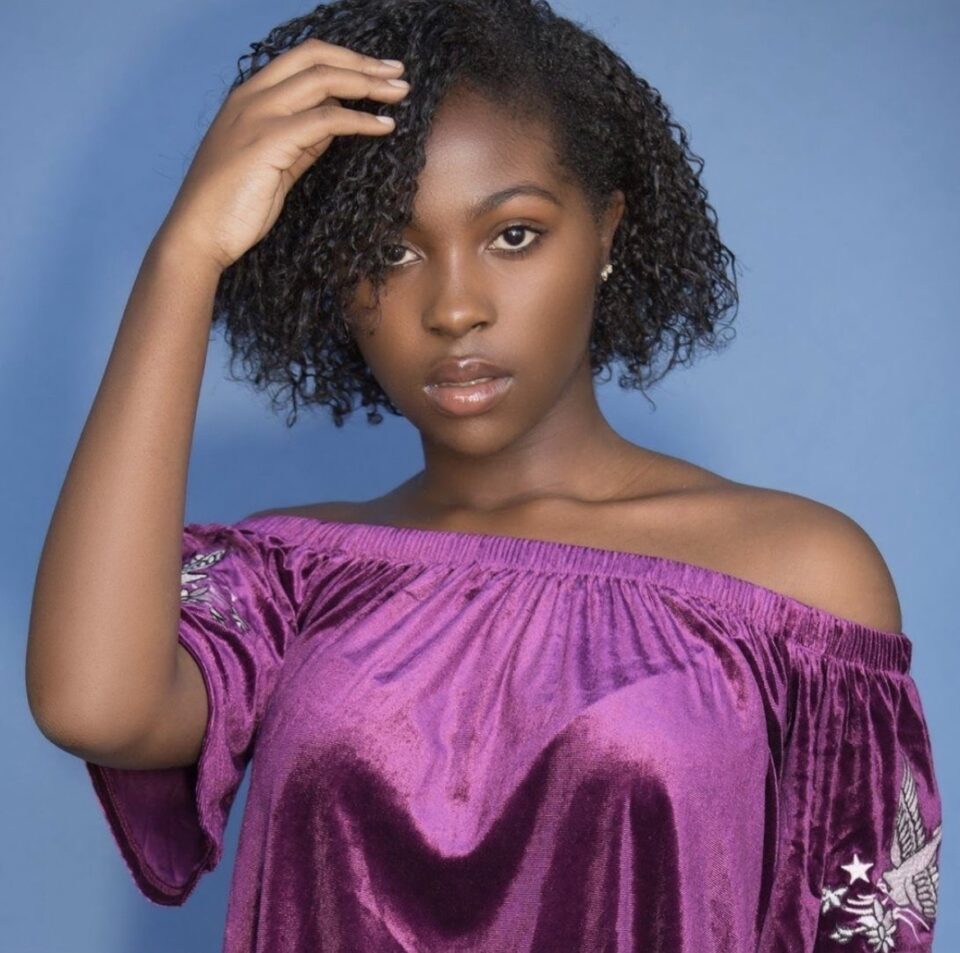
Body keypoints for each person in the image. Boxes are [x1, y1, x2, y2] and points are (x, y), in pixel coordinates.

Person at [26, 0, 943, 950]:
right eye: (390, 250)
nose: (454, 306)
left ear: (608, 234)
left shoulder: (796, 579)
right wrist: (187, 256)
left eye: (513, 234)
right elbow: (93, 703)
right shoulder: (289, 581)